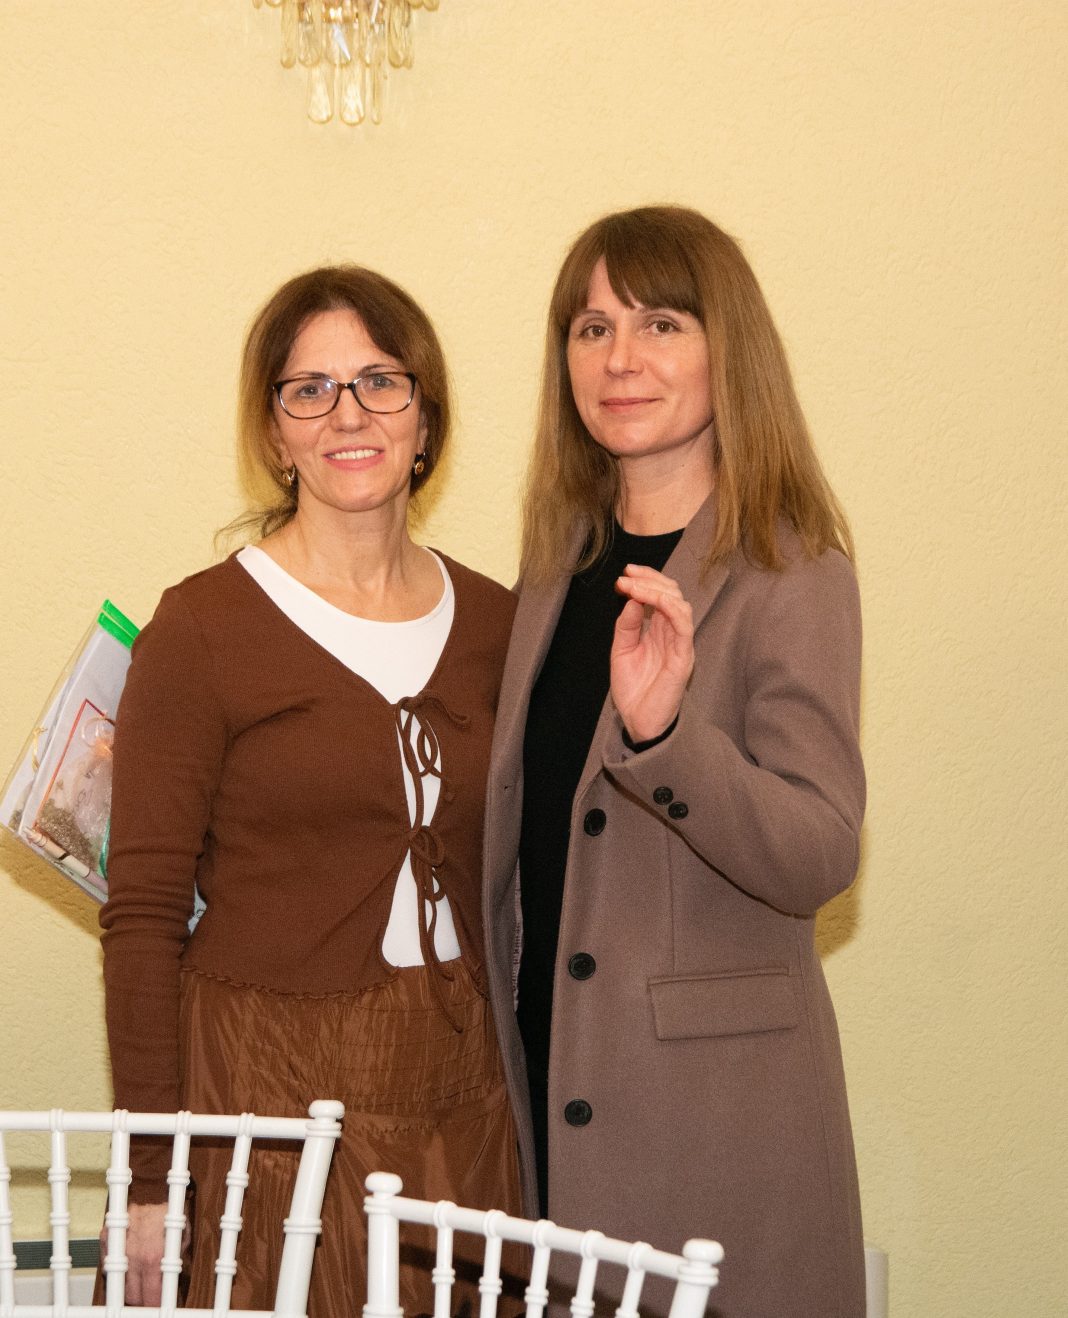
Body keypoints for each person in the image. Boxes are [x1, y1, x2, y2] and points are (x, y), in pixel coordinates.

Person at [100, 266, 521, 1318]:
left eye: (381, 381)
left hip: (463, 1100)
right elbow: (142, 916)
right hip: (266, 1108)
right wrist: (151, 1181)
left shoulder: (500, 626)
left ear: (425, 418)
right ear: (274, 433)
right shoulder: (201, 630)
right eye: (310, 389)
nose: (348, 414)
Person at [482, 206, 866, 1318]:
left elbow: (820, 853)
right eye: (592, 327)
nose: (621, 358)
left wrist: (666, 740)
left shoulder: (791, 567)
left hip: (714, 1129)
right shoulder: (553, 570)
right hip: (549, 1101)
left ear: (724, 348)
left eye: (660, 322)